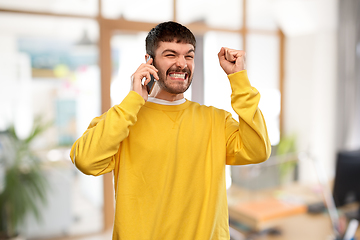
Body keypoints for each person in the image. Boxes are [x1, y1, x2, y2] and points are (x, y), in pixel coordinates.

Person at [70, 21, 271, 240]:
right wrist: (134, 100)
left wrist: (239, 80)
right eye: (170, 54)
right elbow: (85, 161)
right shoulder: (122, 119)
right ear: (150, 61)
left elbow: (258, 150)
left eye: (189, 56)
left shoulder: (216, 120)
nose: (181, 64)